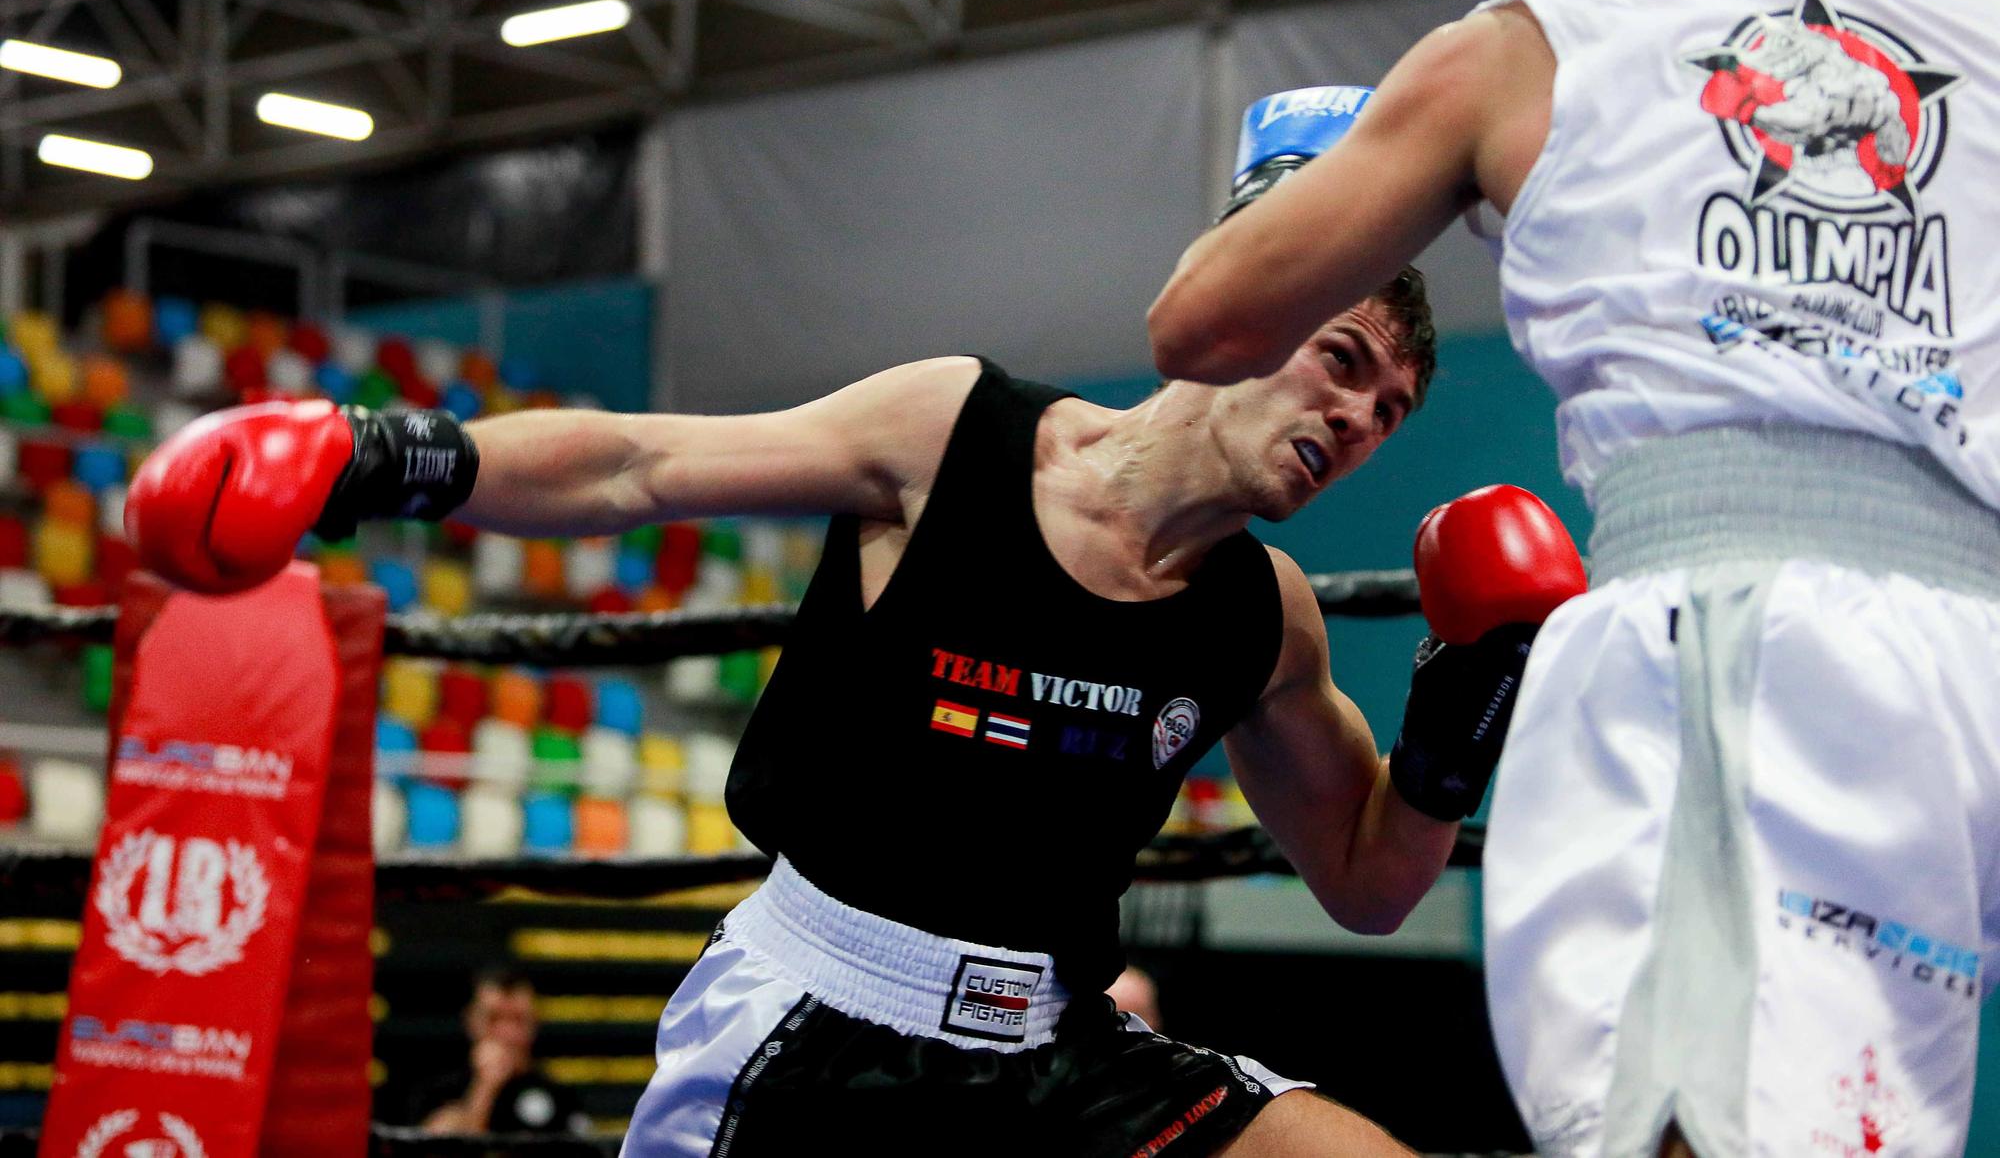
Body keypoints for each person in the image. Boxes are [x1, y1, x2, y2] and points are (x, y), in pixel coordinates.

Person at [124, 110, 1584, 1157]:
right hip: (818, 1027)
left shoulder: (1268, 617)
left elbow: (1370, 882)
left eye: (1389, 409)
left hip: (1058, 1049)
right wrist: (388, 457)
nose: (1356, 419)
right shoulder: (956, 434)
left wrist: (1455, 737)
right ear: (1252, 302)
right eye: (1343, 361)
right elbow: (640, 464)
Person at [1146, 0, 2000, 1155]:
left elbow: (1200, 321)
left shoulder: (1544, 35)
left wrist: (1373, 157)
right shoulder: (1984, 24)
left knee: (1685, 1128)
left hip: (1738, 645)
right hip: (1966, 672)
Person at [401, 964, 590, 1137]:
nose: (507, 1033)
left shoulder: (560, 1097)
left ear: (534, 1023)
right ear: (471, 1021)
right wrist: (484, 1088)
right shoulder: (439, 1091)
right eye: (494, 1019)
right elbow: (438, 1147)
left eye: (518, 1020)